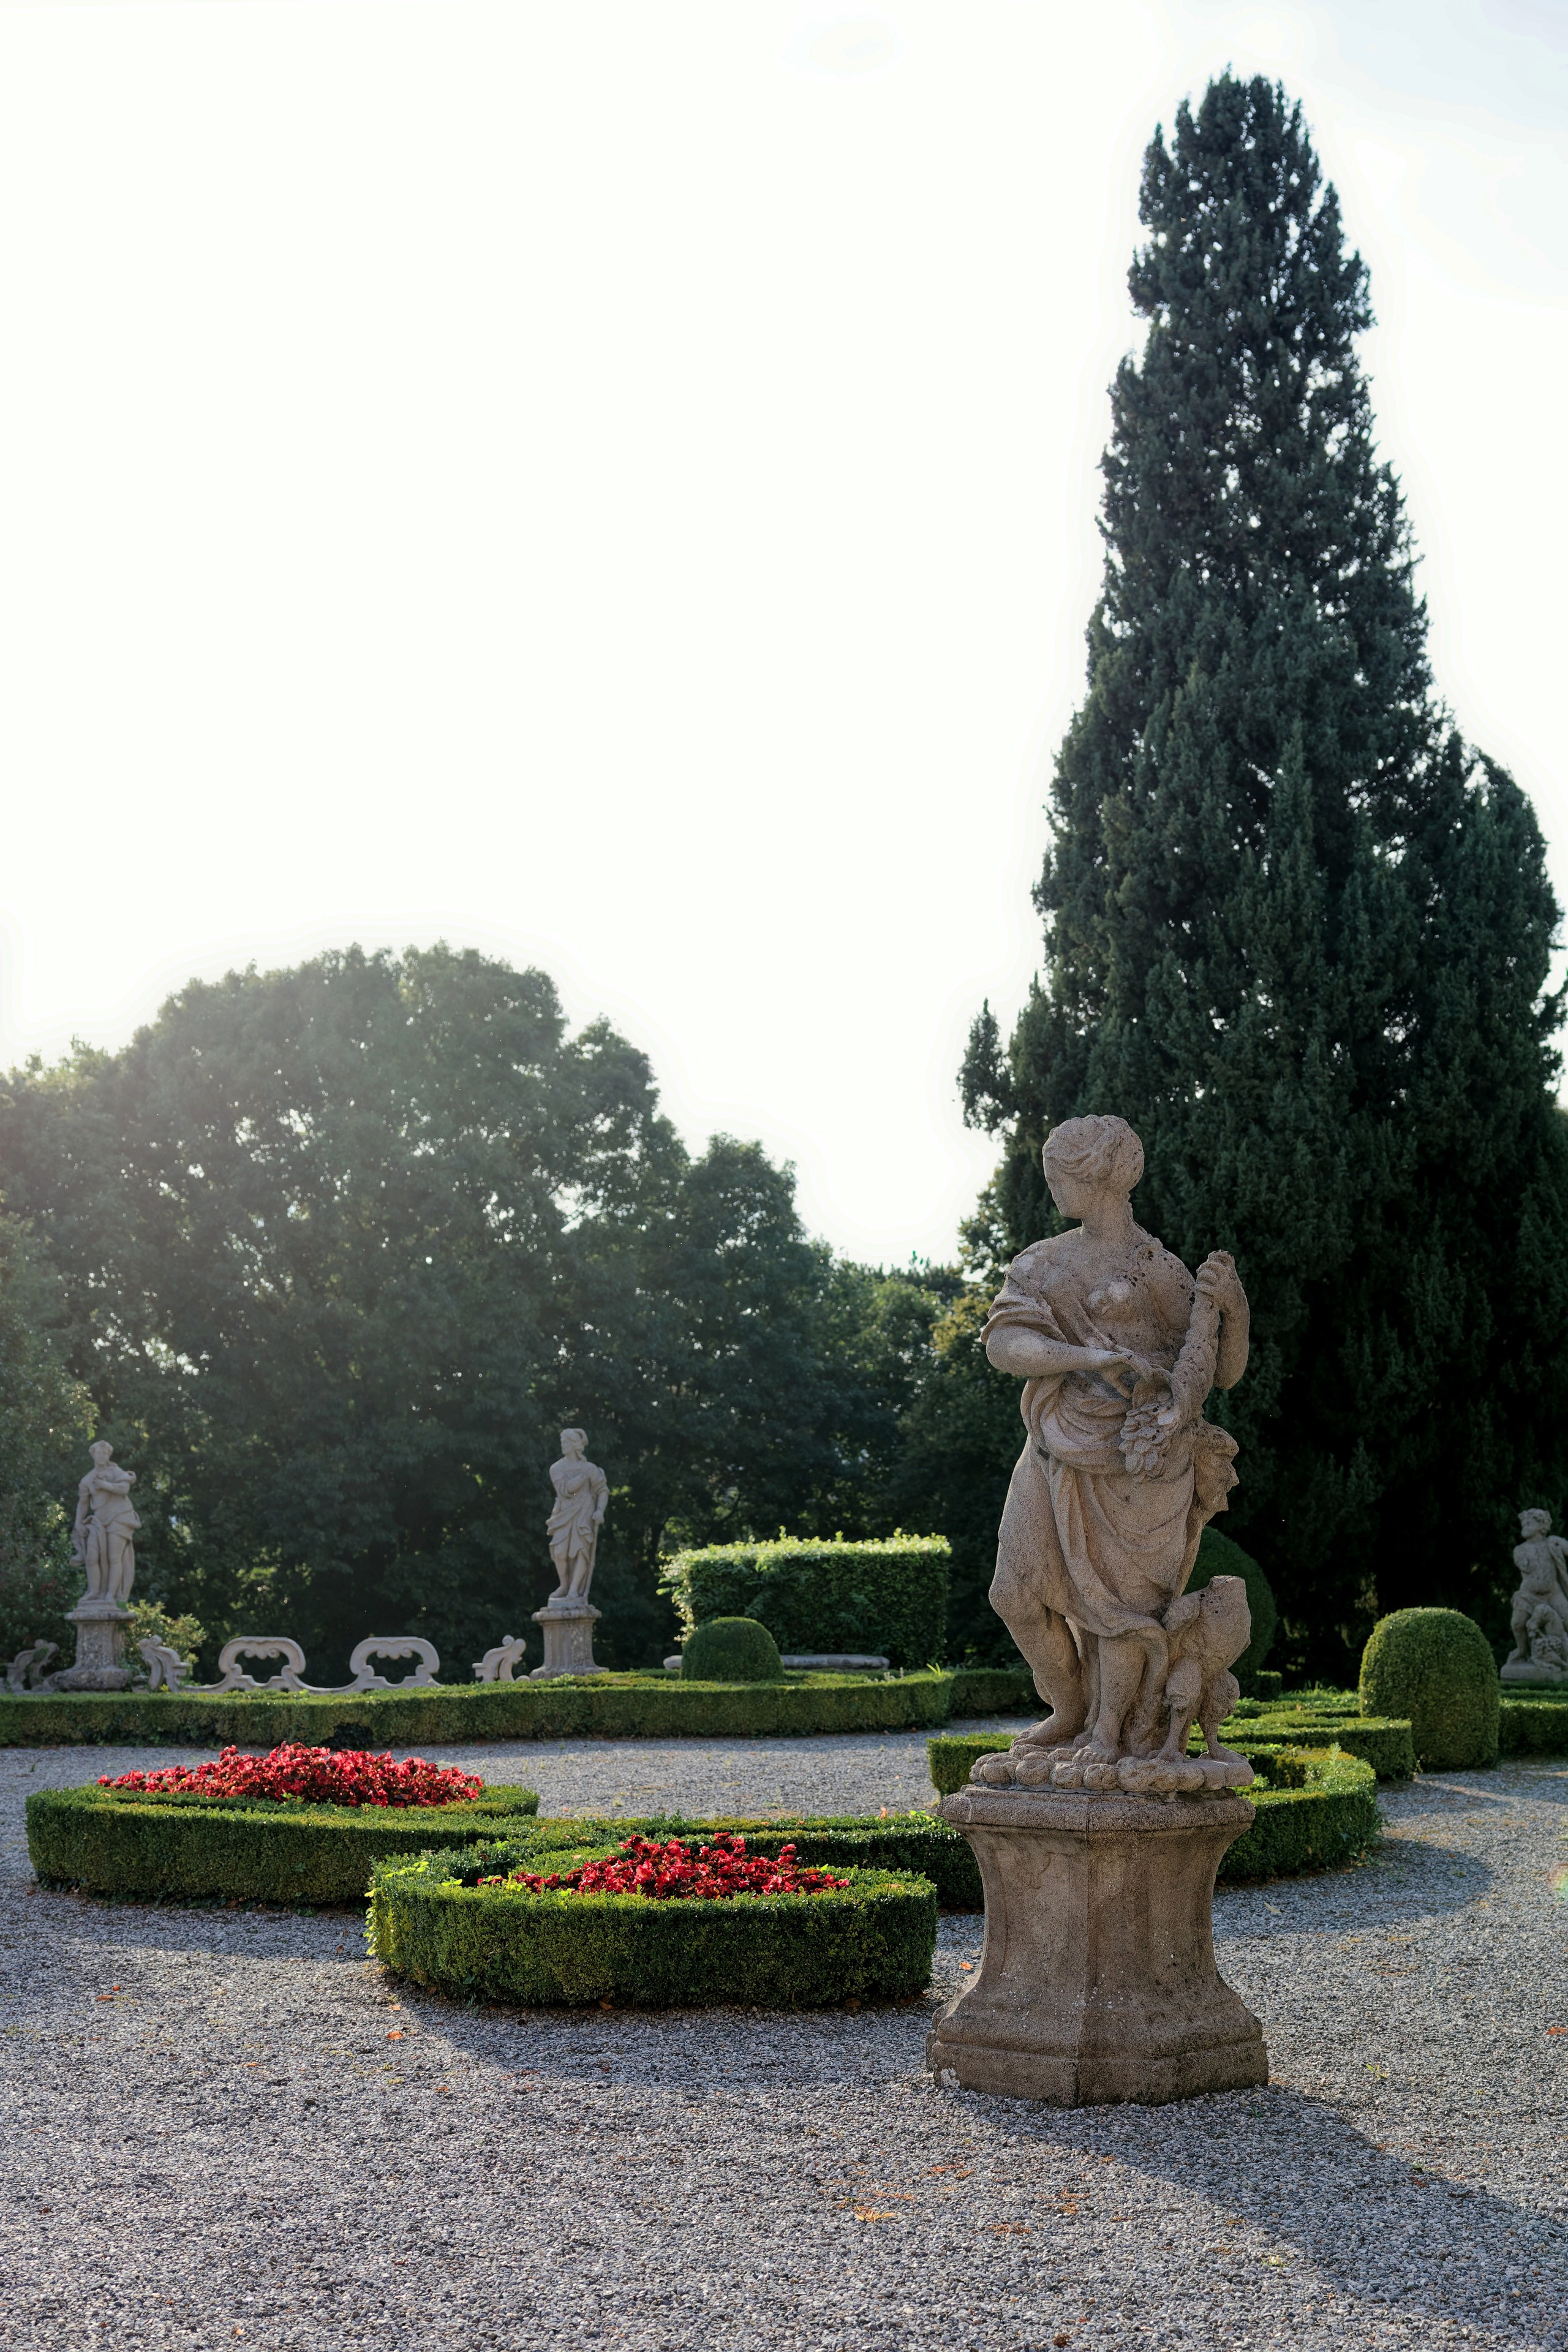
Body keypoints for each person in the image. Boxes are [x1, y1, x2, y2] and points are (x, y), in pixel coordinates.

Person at [982, 1114, 1249, 1766]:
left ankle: (1111, 1740)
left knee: (1120, 1615)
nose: (1050, 1185)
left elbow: (1216, 1371)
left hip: (1140, 1462)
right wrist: (1079, 1357)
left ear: (1097, 1175)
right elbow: (1004, 1344)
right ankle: (1069, 1711)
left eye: (1059, 1173)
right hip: (1053, 1442)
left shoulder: (1156, 1268)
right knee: (1013, 1594)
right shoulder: (1042, 1262)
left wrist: (1234, 1311)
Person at [71, 1441, 140, 1608]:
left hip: (120, 1518)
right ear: (93, 1455)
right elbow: (83, 1503)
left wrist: (104, 1485)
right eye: (99, 1453)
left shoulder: (116, 1472)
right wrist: (78, 1523)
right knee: (91, 1557)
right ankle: (95, 1592)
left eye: (105, 1454)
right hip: (99, 1522)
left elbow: (124, 1489)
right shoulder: (87, 1479)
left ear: (109, 1455)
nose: (102, 1456)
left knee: (113, 1557)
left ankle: (110, 1595)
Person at [546, 1429, 608, 1602]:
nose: (563, 1446)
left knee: (581, 1551)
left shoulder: (590, 1468)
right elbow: (564, 1490)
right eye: (562, 1443)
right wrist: (582, 1479)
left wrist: (599, 1511)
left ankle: (574, 1590)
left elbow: (602, 1491)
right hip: (563, 1512)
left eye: (566, 1442)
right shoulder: (556, 1468)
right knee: (559, 1552)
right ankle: (564, 1585)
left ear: (575, 1445)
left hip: (584, 1511)